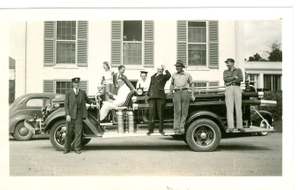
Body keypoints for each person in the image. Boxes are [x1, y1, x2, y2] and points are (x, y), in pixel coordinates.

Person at [64, 77, 99, 154]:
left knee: (78, 133)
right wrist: (67, 115)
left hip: (79, 115)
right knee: (68, 133)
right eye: (75, 83)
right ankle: (66, 149)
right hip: (71, 116)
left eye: (78, 83)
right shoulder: (68, 93)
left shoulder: (82, 92)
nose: (76, 85)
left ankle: (77, 149)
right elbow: (66, 105)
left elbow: (88, 100)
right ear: (73, 84)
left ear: (79, 84)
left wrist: (96, 103)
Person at [169, 60, 195, 135]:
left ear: (182, 67)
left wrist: (192, 95)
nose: (177, 68)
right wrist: (171, 92)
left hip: (185, 92)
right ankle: (176, 129)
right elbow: (172, 84)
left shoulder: (187, 75)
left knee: (184, 111)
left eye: (179, 66)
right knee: (177, 111)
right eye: (176, 67)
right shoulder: (174, 75)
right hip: (176, 92)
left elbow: (192, 84)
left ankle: (182, 127)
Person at [146, 64, 171, 135]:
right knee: (151, 114)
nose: (160, 71)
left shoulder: (164, 77)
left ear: (162, 71)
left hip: (160, 97)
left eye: (161, 70)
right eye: (159, 69)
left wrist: (165, 68)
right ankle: (150, 130)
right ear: (156, 70)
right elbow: (150, 86)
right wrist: (148, 94)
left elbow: (169, 75)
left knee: (160, 114)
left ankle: (161, 130)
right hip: (152, 97)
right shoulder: (152, 77)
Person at [223, 58, 244, 133]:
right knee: (229, 107)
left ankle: (240, 126)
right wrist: (234, 77)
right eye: (226, 63)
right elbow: (225, 80)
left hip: (237, 88)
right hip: (228, 88)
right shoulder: (225, 71)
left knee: (238, 107)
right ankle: (231, 127)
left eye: (228, 63)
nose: (227, 64)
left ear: (232, 63)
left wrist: (230, 80)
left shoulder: (238, 70)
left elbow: (241, 79)